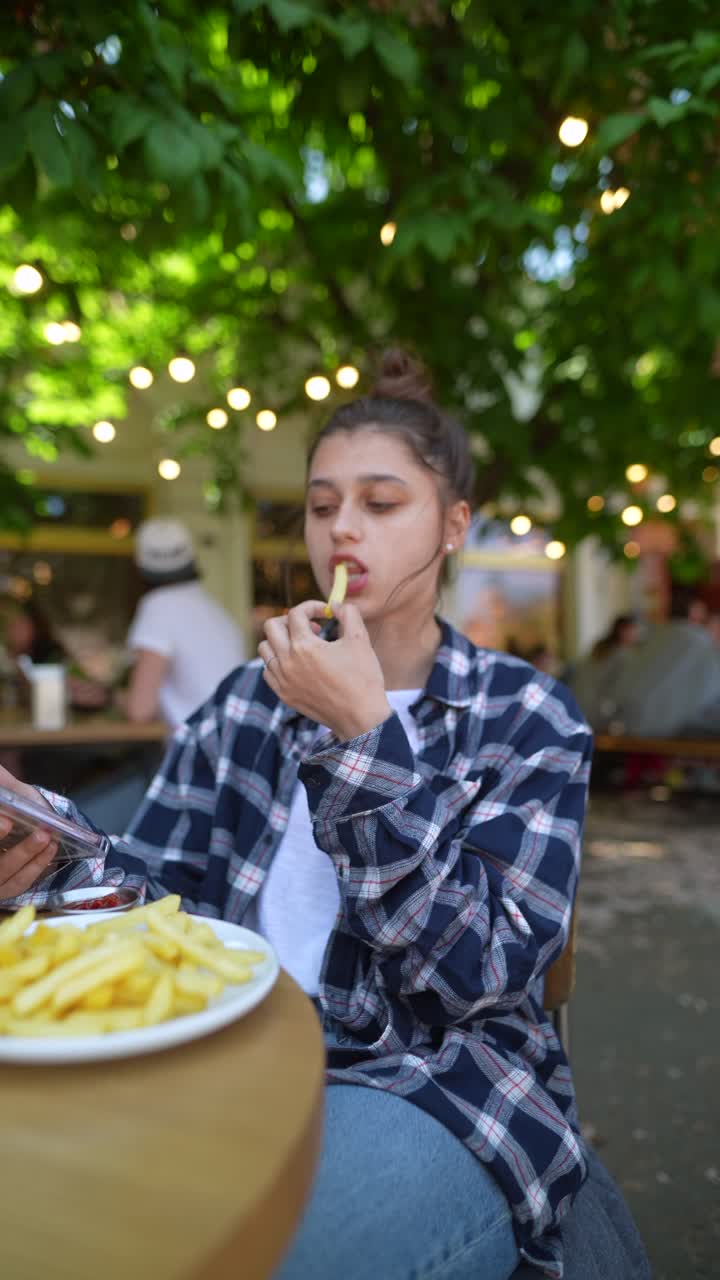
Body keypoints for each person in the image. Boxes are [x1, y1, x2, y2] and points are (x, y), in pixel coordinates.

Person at [0, 350, 650, 1280]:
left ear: (454, 524)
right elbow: (164, 900)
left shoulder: (526, 716)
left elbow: (475, 975)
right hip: (225, 1059)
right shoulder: (247, 699)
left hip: (433, 1085)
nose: (342, 527)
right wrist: (49, 844)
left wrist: (362, 737)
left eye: (381, 503)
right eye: (320, 505)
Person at [124, 518, 246, 727]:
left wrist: (109, 699)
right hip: (231, 735)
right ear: (192, 557)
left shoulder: (158, 606)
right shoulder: (212, 608)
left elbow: (140, 710)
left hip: (201, 741)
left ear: (138, 562)